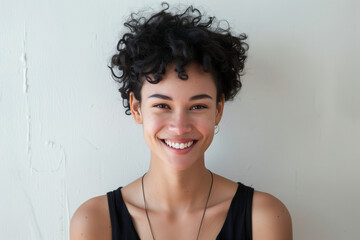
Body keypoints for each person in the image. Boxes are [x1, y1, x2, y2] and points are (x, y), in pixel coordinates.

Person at [70, 3, 292, 240]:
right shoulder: (95, 221)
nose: (179, 127)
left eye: (197, 106)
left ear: (218, 110)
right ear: (136, 108)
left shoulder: (263, 217)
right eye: (162, 106)